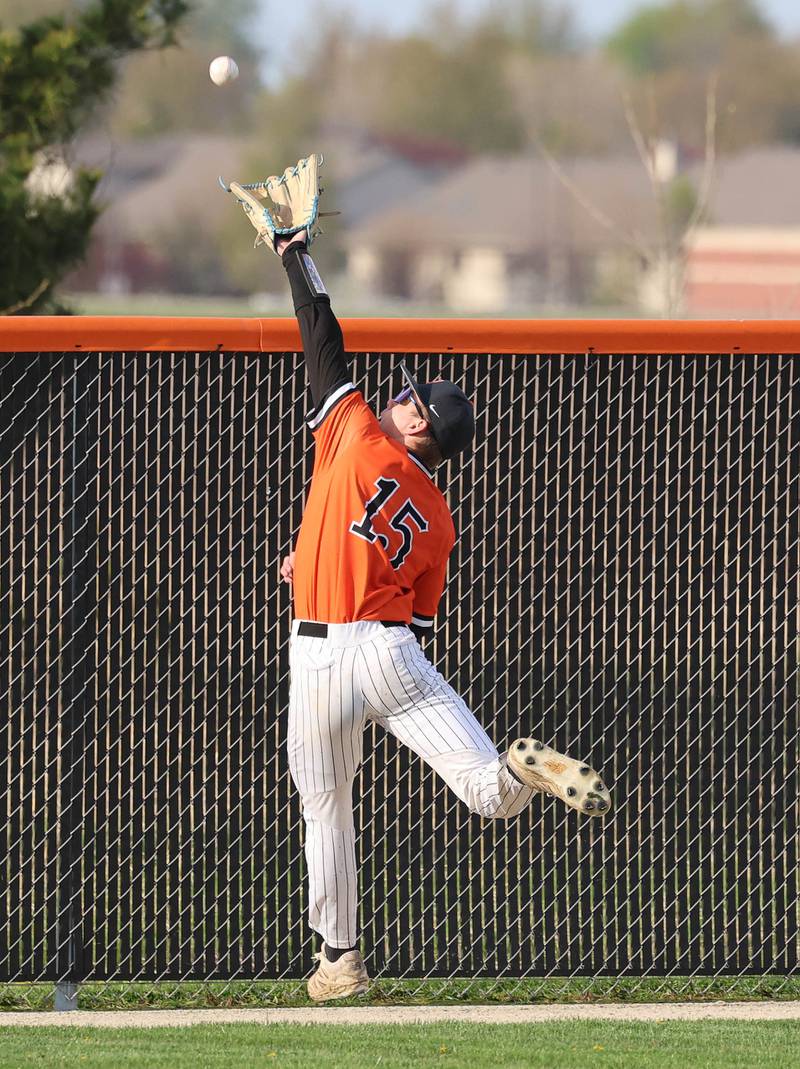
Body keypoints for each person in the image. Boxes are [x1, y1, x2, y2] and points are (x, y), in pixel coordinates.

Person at [273, 227, 612, 1003]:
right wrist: (312, 563)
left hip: (322, 657)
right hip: (394, 655)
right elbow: (410, 617)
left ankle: (341, 961)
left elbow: (320, 336)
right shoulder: (439, 515)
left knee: (326, 809)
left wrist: (296, 255)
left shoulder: (355, 432)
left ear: (418, 425)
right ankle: (519, 767)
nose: (393, 398)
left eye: (407, 398)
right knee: (488, 792)